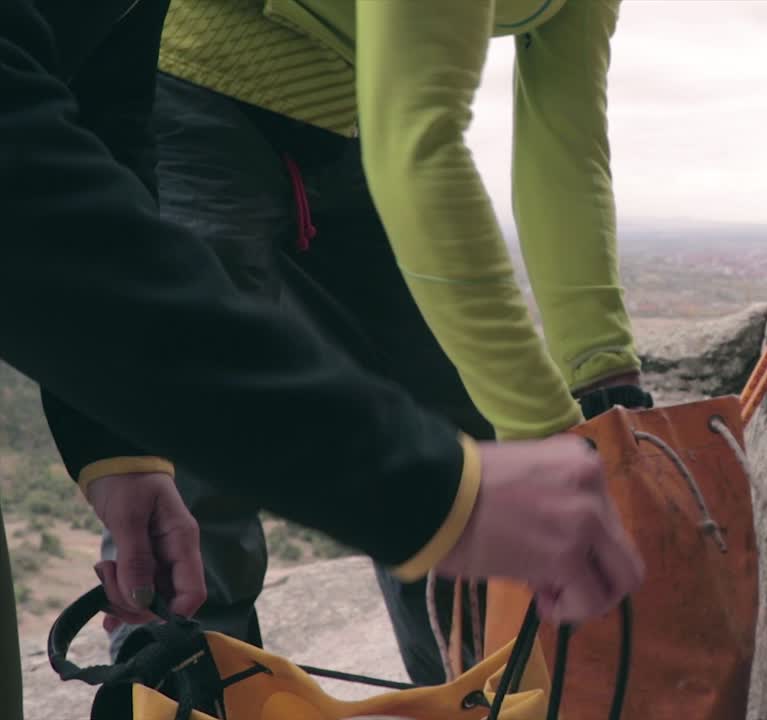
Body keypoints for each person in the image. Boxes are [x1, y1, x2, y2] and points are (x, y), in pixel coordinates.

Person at [0, 0, 644, 715]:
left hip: (347, 120)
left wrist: (604, 386)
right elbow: (31, 184)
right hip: (193, 88)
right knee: (205, 490)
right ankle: (185, 695)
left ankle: (484, 696)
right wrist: (472, 473)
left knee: (451, 427)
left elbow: (567, 139)